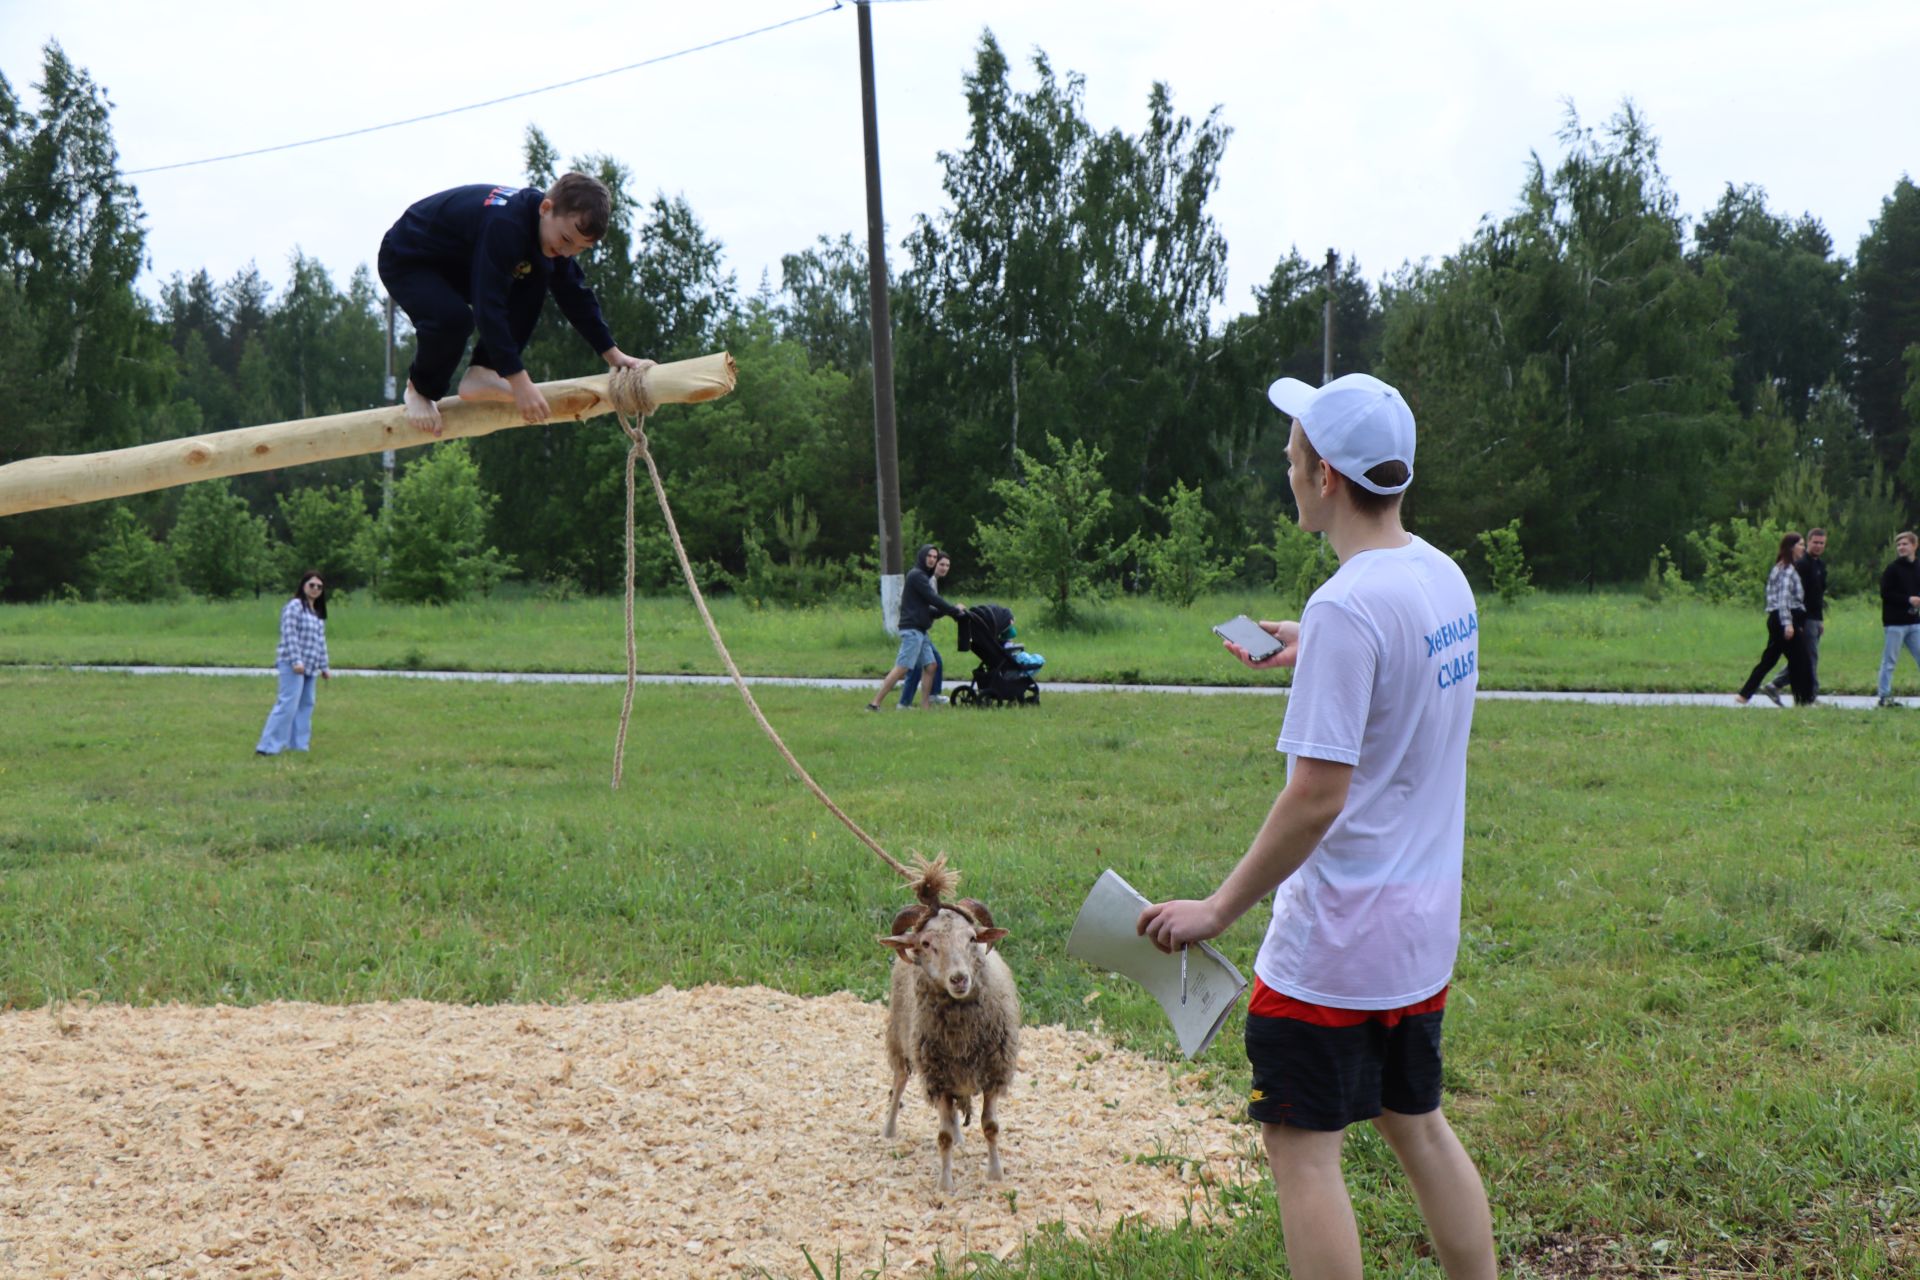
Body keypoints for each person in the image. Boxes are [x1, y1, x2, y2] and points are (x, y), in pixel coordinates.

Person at [1137, 372, 1496, 1280]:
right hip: (1419, 934)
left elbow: (1316, 798)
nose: (1285, 465)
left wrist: (1217, 909)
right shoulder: (1440, 575)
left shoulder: (1349, 607)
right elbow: (1396, 655)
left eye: (1293, 454)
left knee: (1303, 1154)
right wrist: (1315, 642)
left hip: (1335, 945)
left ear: (1326, 476)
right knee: (1417, 1125)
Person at [377, 171, 650, 436]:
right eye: (566, 240)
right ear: (546, 208)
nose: (567, 252)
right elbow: (488, 306)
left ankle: (484, 371)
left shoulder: (549, 239)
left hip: (459, 264)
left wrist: (614, 356)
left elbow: (575, 295)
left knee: (537, 275)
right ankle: (419, 390)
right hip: (409, 257)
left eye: (579, 249)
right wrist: (520, 382)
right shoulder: (506, 226)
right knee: (454, 320)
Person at [867, 543, 964, 712]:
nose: (932, 559)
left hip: (921, 630)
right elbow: (933, 599)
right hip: (912, 630)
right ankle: (874, 704)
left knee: (931, 665)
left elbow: (930, 609)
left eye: (935, 557)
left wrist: (950, 611)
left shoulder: (923, 577)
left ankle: (925, 706)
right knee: (902, 667)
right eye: (930, 556)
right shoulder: (917, 576)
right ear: (922, 557)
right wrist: (954, 611)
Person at [256, 570, 330, 756]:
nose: (315, 589)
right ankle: (268, 747)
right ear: (303, 585)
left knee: (306, 704)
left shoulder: (317, 612)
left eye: (319, 587)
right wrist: (296, 661)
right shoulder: (295, 606)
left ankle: (299, 746)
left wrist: (324, 666)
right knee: (288, 704)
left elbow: (320, 641)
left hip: (311, 666)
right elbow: (289, 634)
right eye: (311, 585)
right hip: (292, 664)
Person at [1736, 533, 1813, 706]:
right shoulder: (1787, 570)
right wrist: (1788, 624)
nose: (1803, 548)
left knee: (1769, 660)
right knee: (1801, 660)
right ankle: (1804, 700)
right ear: (1792, 547)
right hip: (1785, 619)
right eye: (1800, 545)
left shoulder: (1779, 567)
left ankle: (1744, 694)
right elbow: (1783, 599)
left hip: (1777, 619)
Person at [1762, 526, 1827, 703]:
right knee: (1809, 657)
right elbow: (1790, 594)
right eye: (1815, 542)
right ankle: (1810, 695)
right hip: (1802, 617)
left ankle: (1775, 685)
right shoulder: (1800, 565)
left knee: (1804, 657)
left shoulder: (1820, 566)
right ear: (1808, 543)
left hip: (1814, 617)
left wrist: (1820, 620)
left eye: (1822, 543)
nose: (1818, 546)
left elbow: (1818, 595)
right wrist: (1792, 620)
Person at [898, 551, 952, 708]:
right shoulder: (926, 580)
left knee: (933, 663)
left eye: (947, 565)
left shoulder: (932, 580)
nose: (944, 568)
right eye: (941, 564)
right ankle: (904, 702)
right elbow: (931, 604)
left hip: (920, 627)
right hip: (914, 627)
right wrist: (951, 610)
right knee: (913, 667)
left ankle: (929, 698)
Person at [1876, 530, 1920, 708]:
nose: (1901, 548)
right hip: (1895, 623)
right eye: (1899, 545)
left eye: (1905, 544)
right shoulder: (1892, 569)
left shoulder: (1918, 566)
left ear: (1914, 545)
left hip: (1915, 622)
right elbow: (1885, 593)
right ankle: (1884, 696)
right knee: (1890, 660)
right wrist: (1908, 599)